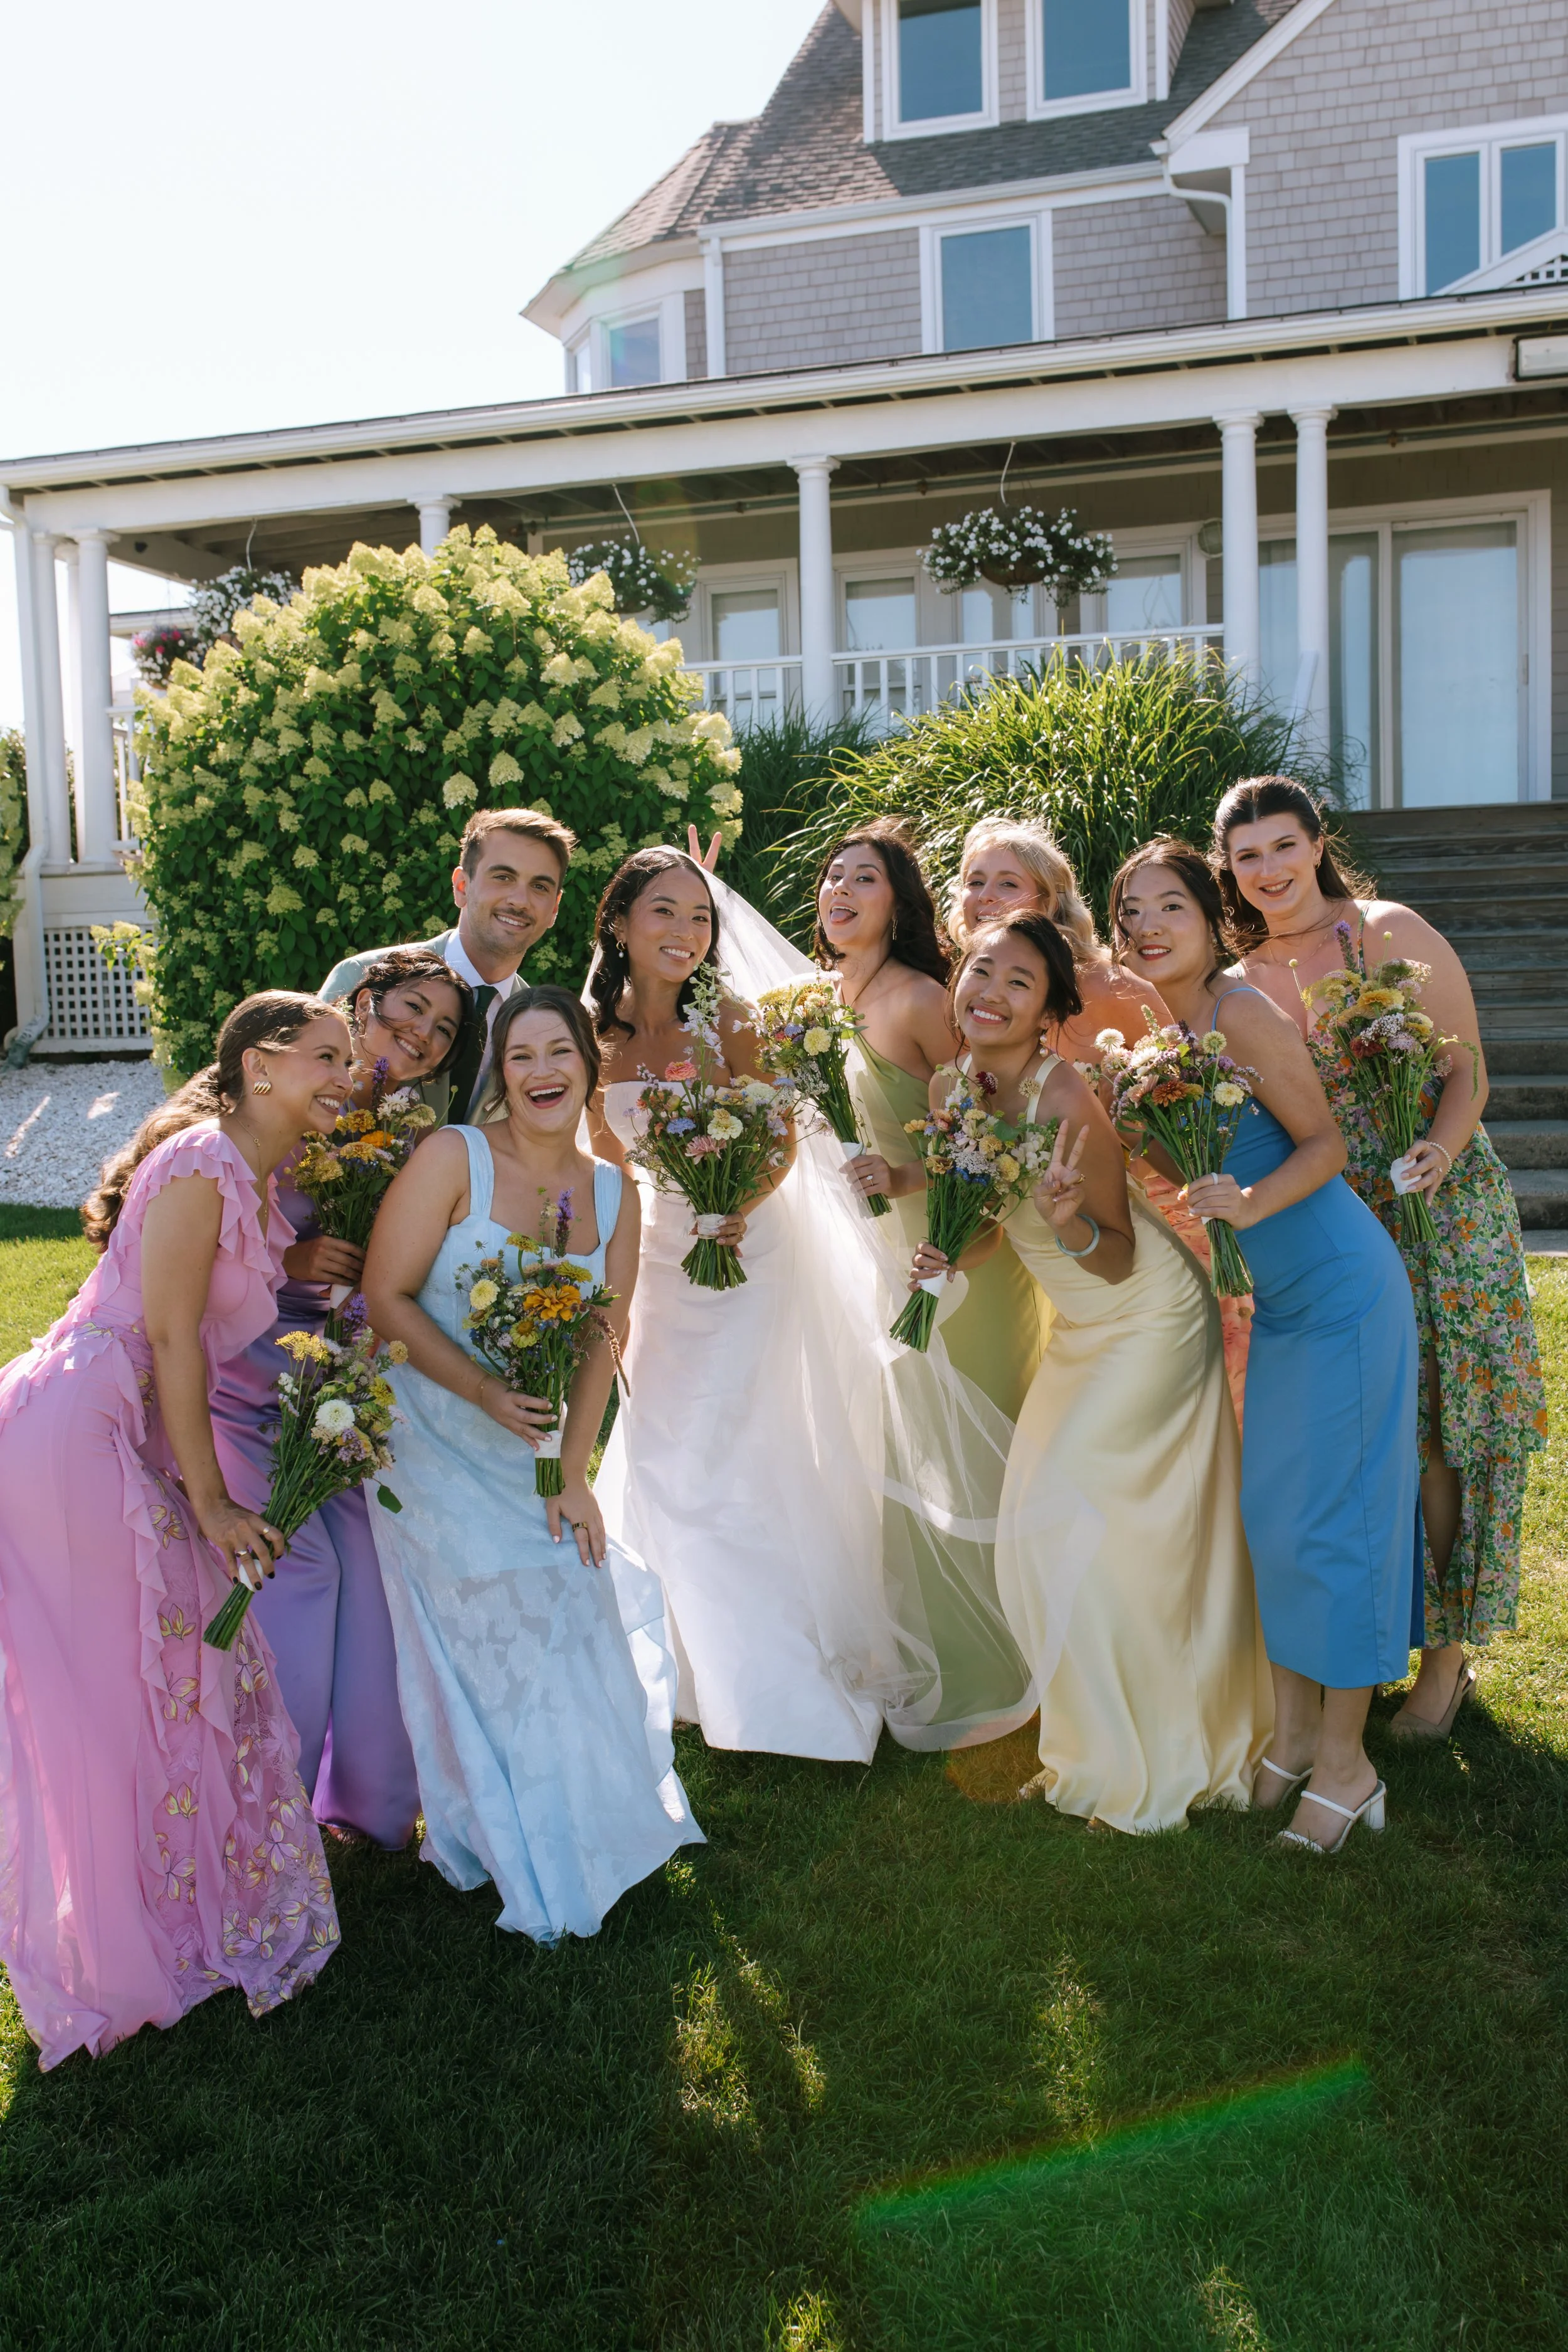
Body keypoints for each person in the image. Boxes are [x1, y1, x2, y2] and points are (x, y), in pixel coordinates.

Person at [0, 994, 349, 2069]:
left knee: (191, 1662)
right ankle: (124, 1948)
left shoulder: (243, 1174)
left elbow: (196, 1299)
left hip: (119, 1424)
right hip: (84, 1431)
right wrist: (210, 1501)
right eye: (327, 1057)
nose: (350, 1074)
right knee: (126, 1685)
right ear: (258, 1065)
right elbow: (167, 1334)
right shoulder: (204, 1164)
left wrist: (297, 1272)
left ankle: (184, 1907)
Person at [914, 913, 1269, 1835]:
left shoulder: (1062, 1096)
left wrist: (1066, 1217)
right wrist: (948, 1249)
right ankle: (1083, 1737)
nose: (990, 991)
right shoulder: (956, 1084)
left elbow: (1110, 1252)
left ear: (1049, 1013)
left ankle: (1146, 1749)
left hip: (1147, 1318)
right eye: (981, 970)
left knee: (1102, 1537)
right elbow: (993, 1225)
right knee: (1038, 1526)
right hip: (1083, 1326)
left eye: (1019, 983)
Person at [360, 985, 702, 1942]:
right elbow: (386, 1297)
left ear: (589, 1064)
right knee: (500, 1613)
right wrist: (477, 1392)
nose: (542, 1072)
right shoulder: (452, 1157)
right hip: (429, 1434)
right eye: (521, 1056)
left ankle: (597, 1822)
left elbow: (603, 1336)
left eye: (561, 1052)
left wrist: (574, 1472)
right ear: (500, 1074)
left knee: (573, 1586)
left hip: (536, 1446)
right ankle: (507, 1828)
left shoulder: (614, 1189)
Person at [1214, 776, 1546, 1743]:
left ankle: (1447, 1659)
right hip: (1339, 1223)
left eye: (1283, 846)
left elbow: (1467, 1066)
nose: (1268, 870)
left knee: (1447, 1428)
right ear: (1230, 870)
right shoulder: (1241, 977)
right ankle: (1389, 1636)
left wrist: (1437, 1152)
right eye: (1247, 856)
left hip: (1439, 1207)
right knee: (1380, 1439)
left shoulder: (1386, 931)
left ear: (1318, 844)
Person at [1112, 842, 1421, 1852]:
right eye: (1130, 913)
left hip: (1343, 1289)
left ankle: (1349, 1762)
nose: (1148, 926)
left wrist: (1244, 1201)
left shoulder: (1239, 1011)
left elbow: (1325, 1144)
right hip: (1282, 1309)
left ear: (1210, 917)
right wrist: (1127, 1123)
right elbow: (1180, 1167)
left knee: (1340, 1524)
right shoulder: (1164, 1037)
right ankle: (1291, 1738)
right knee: (1276, 1519)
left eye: (1169, 905)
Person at [588, 848, 900, 1763]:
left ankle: (760, 1682)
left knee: (733, 1445)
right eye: (664, 913)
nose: (685, 934)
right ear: (619, 923)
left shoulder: (726, 1020)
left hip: (740, 1247)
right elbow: (593, 1159)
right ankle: (681, 1663)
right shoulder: (584, 1030)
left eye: (699, 918)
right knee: (662, 1451)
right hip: (644, 1258)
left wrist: (736, 1207)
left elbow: (777, 1134)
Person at [207, 948, 470, 1850]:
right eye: (408, 1012)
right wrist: (286, 1262)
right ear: (362, 1005)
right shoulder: (286, 1098)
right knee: (303, 1565)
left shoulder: (402, 1133)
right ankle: (264, 1802)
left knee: (373, 1560)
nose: (422, 1037)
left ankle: (367, 1804)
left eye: (441, 1030)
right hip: (239, 1370)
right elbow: (183, 1237)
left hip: (331, 1379)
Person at [947, 813, 1251, 1428]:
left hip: (1161, 1226)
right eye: (973, 881)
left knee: (1216, 1414)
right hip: (1064, 1256)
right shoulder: (978, 997)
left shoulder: (1115, 988)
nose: (984, 897)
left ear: (1048, 899)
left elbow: (1181, 1111)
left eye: (1006, 883)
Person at [817, 818, 1047, 1422]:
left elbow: (993, 1129)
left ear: (898, 905)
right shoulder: (821, 1001)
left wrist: (901, 1178)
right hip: (880, 1253)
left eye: (863, 879)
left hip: (958, 1243)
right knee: (905, 1438)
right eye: (833, 877)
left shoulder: (923, 999)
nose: (841, 889)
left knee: (980, 1426)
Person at [321, 806, 575, 1124]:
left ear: (554, 908)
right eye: (503, 877)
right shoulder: (361, 975)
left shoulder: (543, 1026)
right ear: (461, 886)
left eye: (539, 886)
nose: (520, 901)